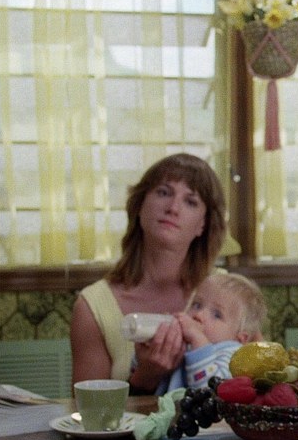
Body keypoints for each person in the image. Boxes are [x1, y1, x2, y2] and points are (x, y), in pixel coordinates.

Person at [71, 153, 227, 395]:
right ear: (139, 206)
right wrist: (144, 379)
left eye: (190, 201)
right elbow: (90, 411)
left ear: (202, 225)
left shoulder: (226, 292)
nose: (173, 208)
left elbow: (255, 390)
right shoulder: (93, 306)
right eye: (163, 192)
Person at [154, 272, 267, 394]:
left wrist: (197, 338)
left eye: (217, 315)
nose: (198, 315)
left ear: (240, 338)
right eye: (197, 305)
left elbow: (209, 389)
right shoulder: (188, 342)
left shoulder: (233, 355)